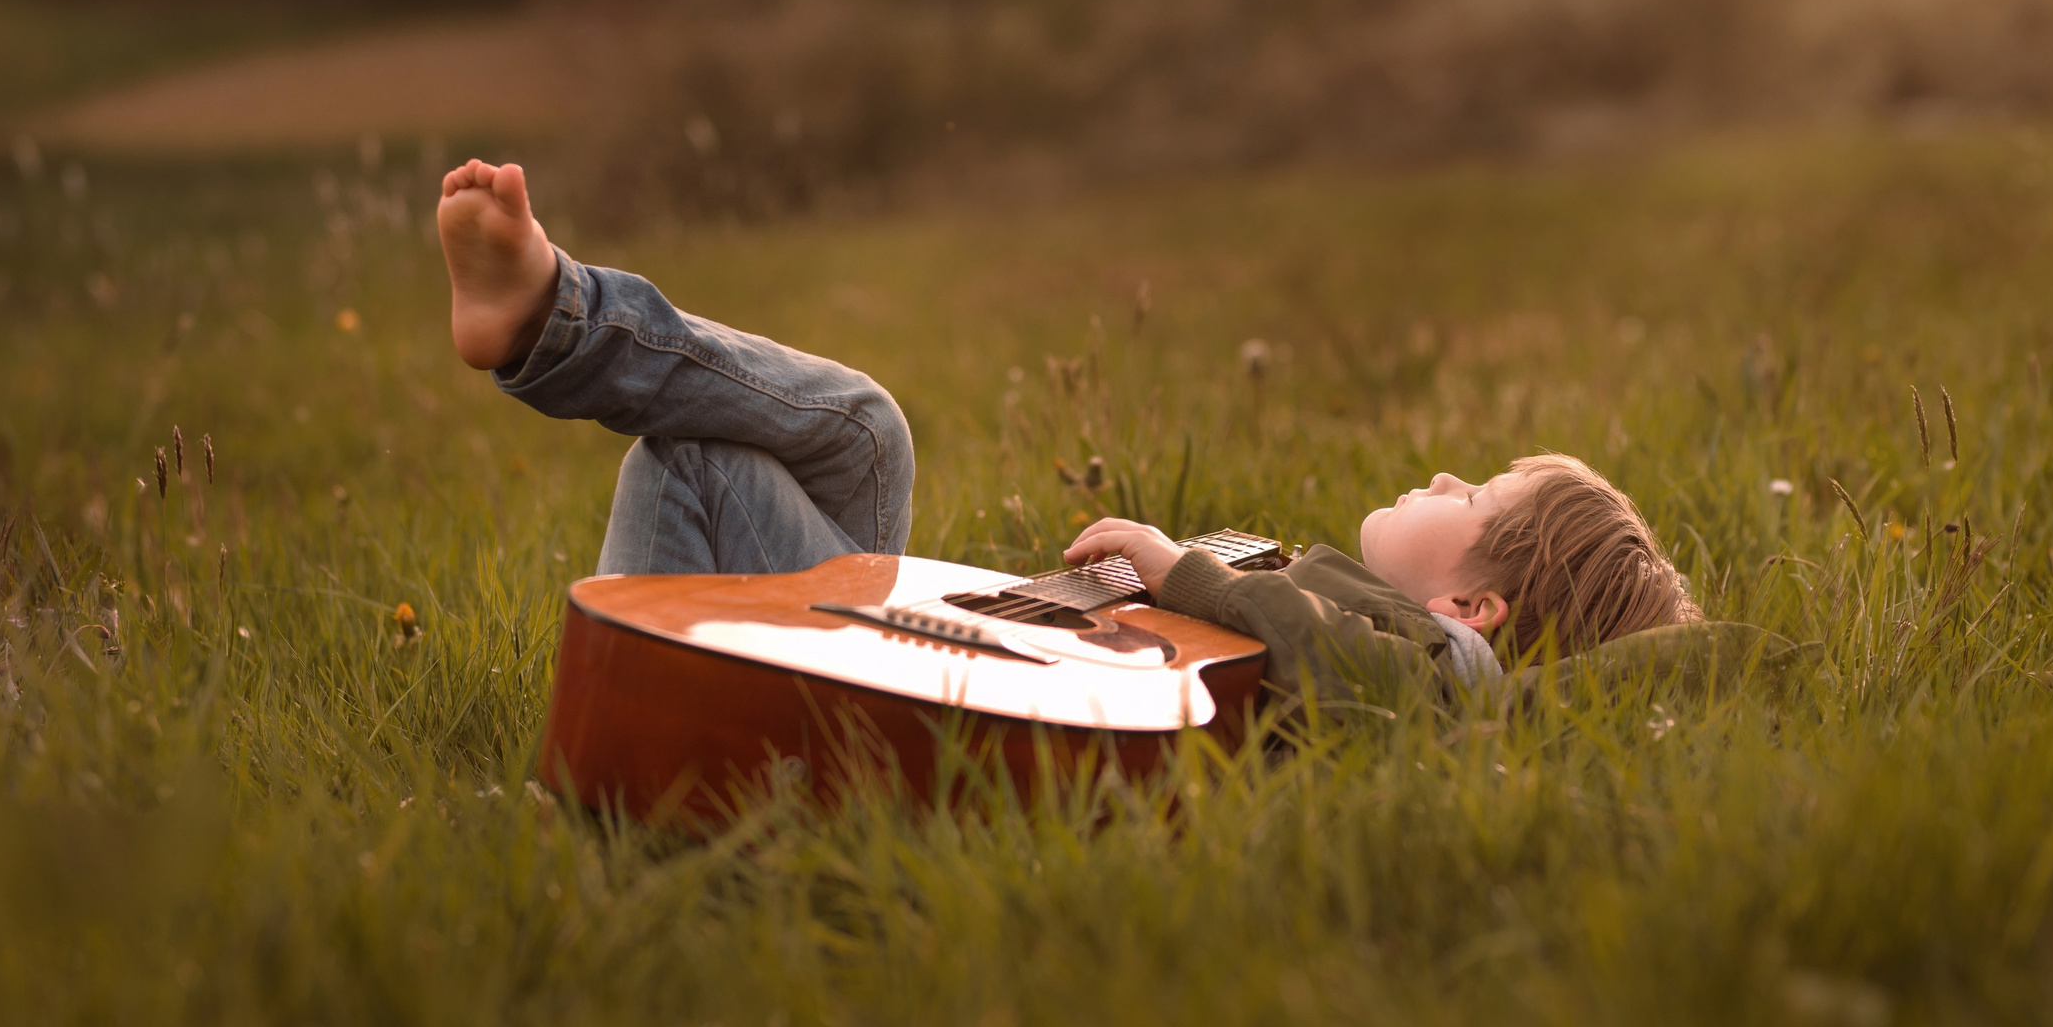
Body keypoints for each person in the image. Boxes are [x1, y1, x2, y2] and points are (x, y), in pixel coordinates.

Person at [437, 157, 1700, 711]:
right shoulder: (1329, 599)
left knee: (804, 439)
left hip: (909, 716)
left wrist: (1175, 569)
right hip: (920, 678)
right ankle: (557, 316)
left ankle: (624, 737)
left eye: (1469, 491)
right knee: (806, 440)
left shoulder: (1444, 671)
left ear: (1471, 610)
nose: (1440, 470)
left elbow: (1355, 677)